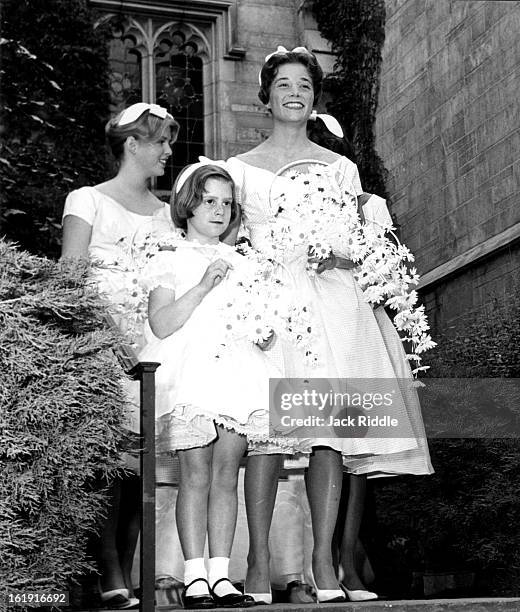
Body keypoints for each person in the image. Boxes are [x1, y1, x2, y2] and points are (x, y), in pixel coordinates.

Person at [226, 46, 433, 604]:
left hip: (333, 304)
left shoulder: (341, 166)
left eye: (305, 86)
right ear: (265, 96)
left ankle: (324, 566)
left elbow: (360, 242)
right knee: (265, 430)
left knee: (330, 434)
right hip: (270, 303)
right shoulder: (238, 171)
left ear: (314, 99)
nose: (295, 93)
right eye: (284, 84)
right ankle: (257, 563)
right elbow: (230, 241)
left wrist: (339, 256)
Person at [138, 162, 278, 609]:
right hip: (194, 376)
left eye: (226, 202)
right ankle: (193, 574)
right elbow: (161, 324)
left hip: (236, 375)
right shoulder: (168, 259)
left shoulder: (245, 263)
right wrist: (201, 286)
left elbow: (260, 321)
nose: (219, 210)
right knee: (194, 476)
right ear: (187, 205)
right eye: (208, 200)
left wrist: (266, 330)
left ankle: (221, 575)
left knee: (225, 476)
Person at [61, 102, 179, 609]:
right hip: (100, 341)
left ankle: (127, 569)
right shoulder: (87, 200)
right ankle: (106, 569)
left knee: (143, 465)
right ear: (133, 144)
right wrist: (109, 335)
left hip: (154, 343)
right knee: (107, 464)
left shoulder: (166, 214)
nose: (169, 152)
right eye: (161, 142)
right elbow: (70, 275)